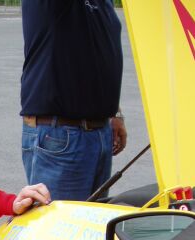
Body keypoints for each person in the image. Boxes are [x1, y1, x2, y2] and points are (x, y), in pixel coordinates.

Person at [20, 0, 128, 201]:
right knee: (59, 229)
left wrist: (114, 114)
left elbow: (95, 54)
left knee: (93, 228)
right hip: (62, 136)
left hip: (97, 134)